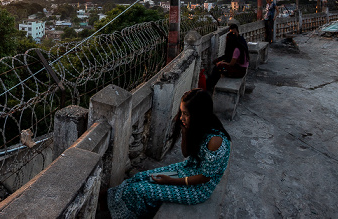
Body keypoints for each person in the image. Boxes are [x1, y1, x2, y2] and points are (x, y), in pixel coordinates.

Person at [107, 89, 231, 218]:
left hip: (198, 188)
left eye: (186, 114)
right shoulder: (198, 127)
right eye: (181, 112)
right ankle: (111, 199)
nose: (181, 117)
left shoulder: (215, 141)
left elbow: (205, 177)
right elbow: (186, 154)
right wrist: (184, 133)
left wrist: (171, 181)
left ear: (199, 115)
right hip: (189, 168)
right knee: (140, 177)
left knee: (140, 190)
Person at [205, 23, 249, 93]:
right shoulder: (239, 44)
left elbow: (231, 63)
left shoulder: (237, 48)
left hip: (238, 70)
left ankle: (210, 86)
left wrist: (222, 62)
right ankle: (212, 84)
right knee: (218, 65)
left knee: (218, 67)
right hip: (239, 67)